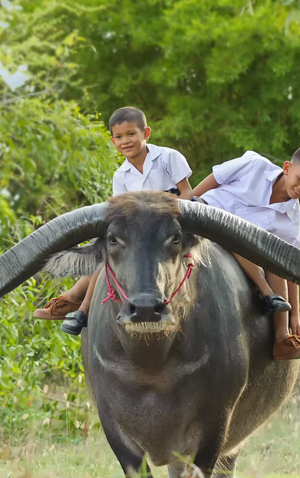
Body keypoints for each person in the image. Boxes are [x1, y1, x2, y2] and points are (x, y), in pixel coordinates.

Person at [33, 106, 194, 334]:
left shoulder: (168, 157)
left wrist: (167, 218)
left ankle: (77, 302)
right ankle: (83, 311)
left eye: (131, 134)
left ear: (146, 133)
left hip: (168, 228)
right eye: (119, 137)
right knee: (108, 250)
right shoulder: (121, 175)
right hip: (137, 233)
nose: (125, 141)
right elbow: (122, 214)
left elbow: (187, 192)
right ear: (113, 141)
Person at [192, 146, 300, 361]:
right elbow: (216, 178)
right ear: (287, 168)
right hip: (209, 213)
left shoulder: (292, 222)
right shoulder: (254, 166)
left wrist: (295, 313)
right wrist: (188, 203)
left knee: (276, 259)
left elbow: (291, 268)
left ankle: (282, 338)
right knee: (238, 234)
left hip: (244, 245)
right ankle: (267, 293)